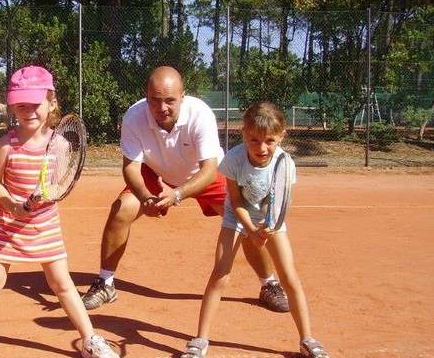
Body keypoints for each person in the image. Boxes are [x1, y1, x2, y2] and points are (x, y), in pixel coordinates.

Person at [0, 65, 121, 358]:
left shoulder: (62, 145)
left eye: (35, 104)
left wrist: (47, 195)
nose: (28, 111)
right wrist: (10, 203)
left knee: (62, 284)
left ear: (51, 103)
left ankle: (90, 340)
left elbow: (59, 184)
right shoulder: (5, 145)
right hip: (8, 227)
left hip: (44, 227)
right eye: (21, 105)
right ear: (12, 105)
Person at [81, 66, 289, 313]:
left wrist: (177, 194)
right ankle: (105, 283)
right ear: (146, 97)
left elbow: (210, 169)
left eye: (170, 100)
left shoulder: (200, 114)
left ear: (183, 96)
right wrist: (145, 197)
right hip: (156, 173)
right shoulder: (133, 117)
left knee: (247, 222)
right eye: (154, 100)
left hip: (201, 176)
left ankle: (269, 283)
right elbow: (131, 168)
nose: (162, 107)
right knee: (121, 208)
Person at [178, 101, 332, 358]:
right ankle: (200, 339)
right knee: (220, 274)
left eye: (270, 141)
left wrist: (267, 226)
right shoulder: (234, 160)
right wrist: (250, 229)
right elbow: (235, 202)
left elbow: (279, 201)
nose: (261, 148)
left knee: (289, 276)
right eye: (254, 140)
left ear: (282, 136)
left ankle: (307, 340)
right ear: (243, 134)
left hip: (270, 219)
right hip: (235, 218)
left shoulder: (285, 163)